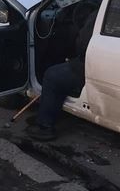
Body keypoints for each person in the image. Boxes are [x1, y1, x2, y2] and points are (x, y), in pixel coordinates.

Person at [26, 10, 98, 141]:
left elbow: (82, 45)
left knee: (53, 76)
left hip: (92, 66)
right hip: (108, 65)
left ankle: (44, 127)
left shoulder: (100, 14)